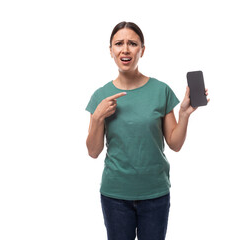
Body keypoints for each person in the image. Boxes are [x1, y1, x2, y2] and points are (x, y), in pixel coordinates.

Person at [85, 21, 209, 240]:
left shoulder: (160, 90)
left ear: (142, 50)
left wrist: (184, 114)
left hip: (155, 194)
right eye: (118, 44)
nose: (125, 49)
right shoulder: (100, 96)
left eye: (132, 43)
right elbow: (93, 152)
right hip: (115, 196)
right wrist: (97, 117)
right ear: (111, 51)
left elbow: (175, 144)